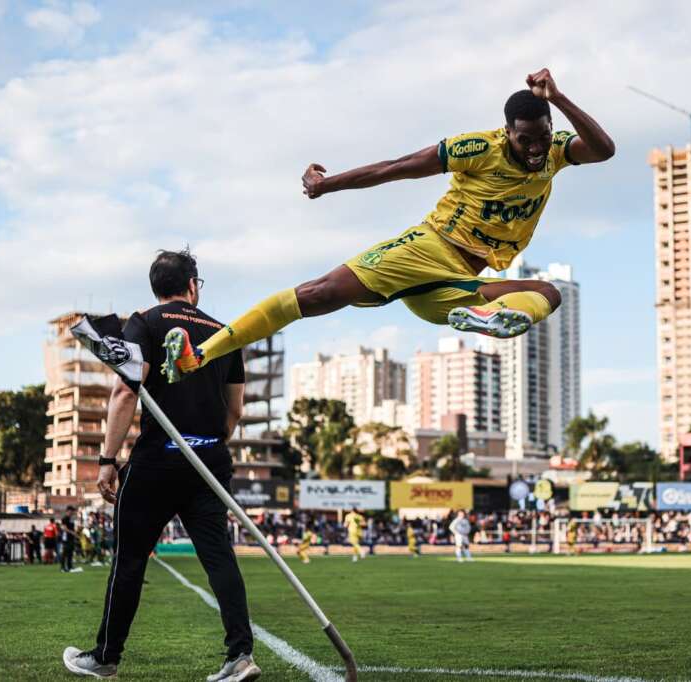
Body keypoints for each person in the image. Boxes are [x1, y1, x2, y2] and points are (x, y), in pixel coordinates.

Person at [160, 68, 615, 383]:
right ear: (507, 132)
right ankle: (197, 356)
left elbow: (604, 148)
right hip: (426, 250)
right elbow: (395, 167)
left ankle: (488, 319)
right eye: (525, 139)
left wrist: (557, 97)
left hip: (457, 286)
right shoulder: (477, 147)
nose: (535, 148)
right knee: (318, 294)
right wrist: (326, 185)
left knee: (549, 294)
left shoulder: (555, 150)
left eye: (541, 136)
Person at [62, 249, 259, 682]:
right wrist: (210, 442)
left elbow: (124, 393)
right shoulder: (223, 332)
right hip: (208, 459)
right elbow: (236, 410)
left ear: (157, 286)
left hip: (156, 460)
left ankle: (106, 656)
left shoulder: (146, 322)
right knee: (219, 557)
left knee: (131, 560)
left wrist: (107, 461)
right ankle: (240, 654)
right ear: (193, 285)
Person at [59, 509, 78, 573]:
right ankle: (62, 567)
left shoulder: (71, 519)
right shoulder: (65, 518)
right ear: (67, 511)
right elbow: (64, 528)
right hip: (66, 538)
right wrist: (72, 532)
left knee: (70, 553)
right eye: (70, 511)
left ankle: (69, 566)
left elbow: (72, 527)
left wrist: (75, 533)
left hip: (71, 538)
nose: (71, 512)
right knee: (65, 553)